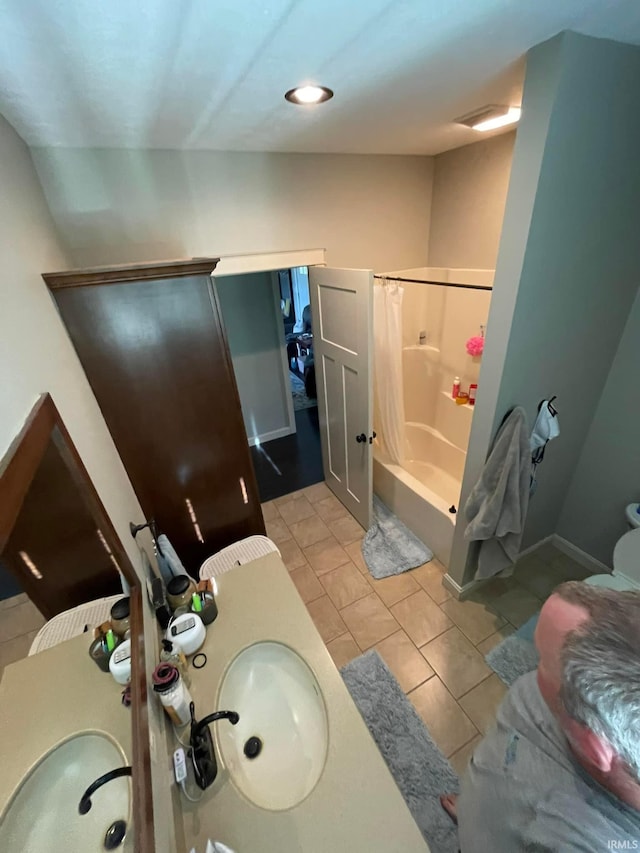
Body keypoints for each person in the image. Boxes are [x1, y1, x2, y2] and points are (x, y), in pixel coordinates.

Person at [440, 581, 640, 851]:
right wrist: (475, 809)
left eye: (544, 662)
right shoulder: (567, 709)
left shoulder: (584, 837)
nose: (533, 673)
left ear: (594, 747)